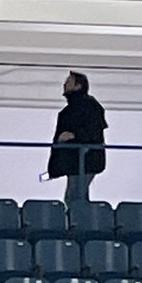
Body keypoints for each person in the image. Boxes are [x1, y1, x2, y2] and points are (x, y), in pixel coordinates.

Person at [47, 70, 107, 205]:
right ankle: (78, 222)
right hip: (74, 160)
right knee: (73, 197)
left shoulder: (89, 106)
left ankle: (80, 223)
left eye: (69, 82)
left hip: (84, 158)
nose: (64, 84)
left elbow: (94, 129)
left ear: (78, 86)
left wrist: (74, 135)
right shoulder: (70, 110)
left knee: (75, 198)